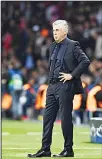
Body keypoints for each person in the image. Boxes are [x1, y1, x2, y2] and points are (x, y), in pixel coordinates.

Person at [28, 20, 90, 158]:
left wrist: (72, 75)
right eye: (54, 30)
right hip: (52, 86)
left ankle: (68, 149)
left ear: (65, 32)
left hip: (65, 85)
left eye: (57, 30)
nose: (54, 32)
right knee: (47, 118)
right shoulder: (52, 47)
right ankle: (45, 149)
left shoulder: (73, 45)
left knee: (65, 118)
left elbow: (85, 61)